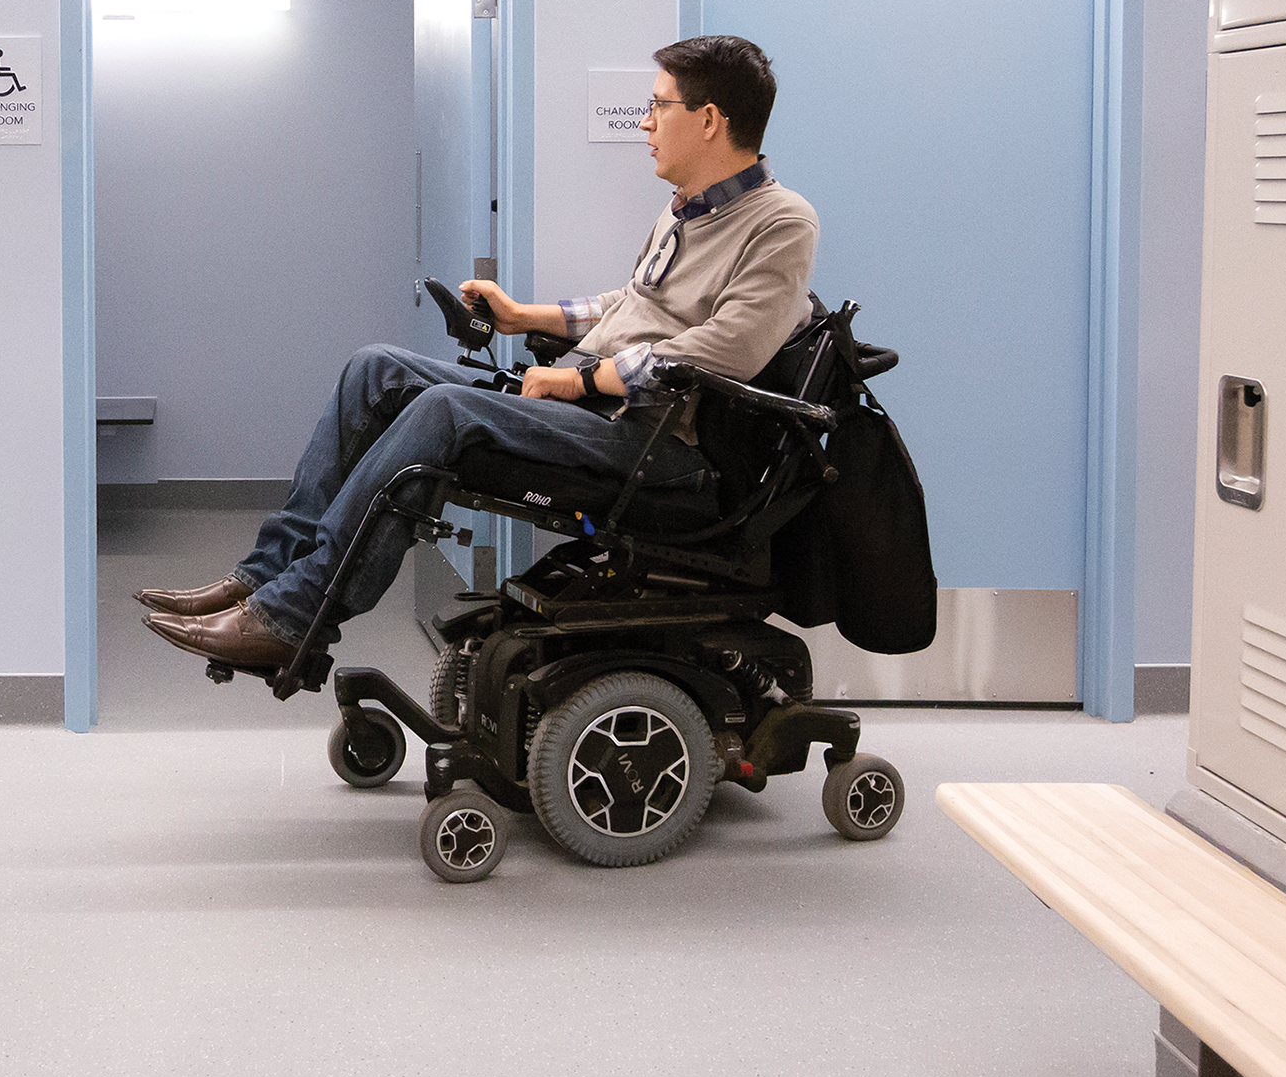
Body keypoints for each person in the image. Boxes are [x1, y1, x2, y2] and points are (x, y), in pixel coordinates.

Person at [143, 33, 820, 672]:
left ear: (709, 120)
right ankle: (262, 577)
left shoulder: (781, 222)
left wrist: (582, 384)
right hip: (600, 411)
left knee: (445, 411)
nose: (645, 121)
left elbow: (730, 347)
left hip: (655, 447)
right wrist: (523, 315)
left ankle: (290, 616)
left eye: (659, 105)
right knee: (374, 367)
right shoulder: (683, 210)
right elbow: (634, 305)